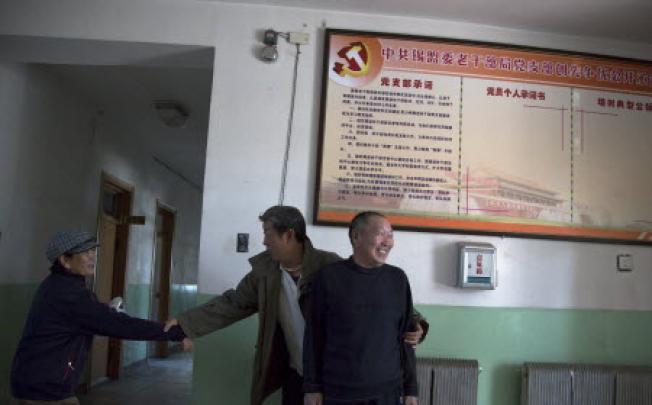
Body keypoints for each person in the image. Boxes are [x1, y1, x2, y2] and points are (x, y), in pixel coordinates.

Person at [165, 205, 428, 405]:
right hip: (295, 371)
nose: (265, 241)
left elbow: (383, 301)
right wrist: (186, 322)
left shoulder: (329, 266)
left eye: (268, 233)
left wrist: (417, 325)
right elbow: (233, 302)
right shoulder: (265, 272)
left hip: (332, 377)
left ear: (289, 235)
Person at [10, 230, 187, 405]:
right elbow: (120, 325)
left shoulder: (61, 285)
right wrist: (178, 332)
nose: (93, 256)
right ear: (65, 260)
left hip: (39, 380)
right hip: (44, 388)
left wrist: (104, 311)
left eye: (93, 251)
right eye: (85, 252)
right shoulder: (69, 293)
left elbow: (86, 315)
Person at [303, 211, 419, 405]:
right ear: (356, 236)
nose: (388, 241)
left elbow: (406, 339)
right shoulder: (329, 277)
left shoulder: (397, 278)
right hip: (338, 392)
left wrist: (411, 390)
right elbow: (314, 337)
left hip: (388, 392)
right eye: (381, 234)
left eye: (390, 235)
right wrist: (312, 387)